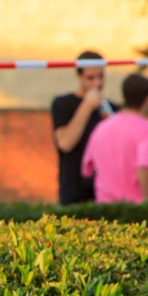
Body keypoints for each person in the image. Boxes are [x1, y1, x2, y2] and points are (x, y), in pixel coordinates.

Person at [82, 73, 148, 204]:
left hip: (104, 208)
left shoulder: (101, 128)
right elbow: (144, 169)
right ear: (147, 100)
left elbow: (87, 169)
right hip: (135, 210)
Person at [51, 50, 114, 204]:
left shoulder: (111, 108)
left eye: (101, 77)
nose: (97, 83)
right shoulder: (63, 104)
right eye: (90, 78)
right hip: (73, 191)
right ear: (79, 76)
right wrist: (87, 106)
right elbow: (65, 143)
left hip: (105, 192)